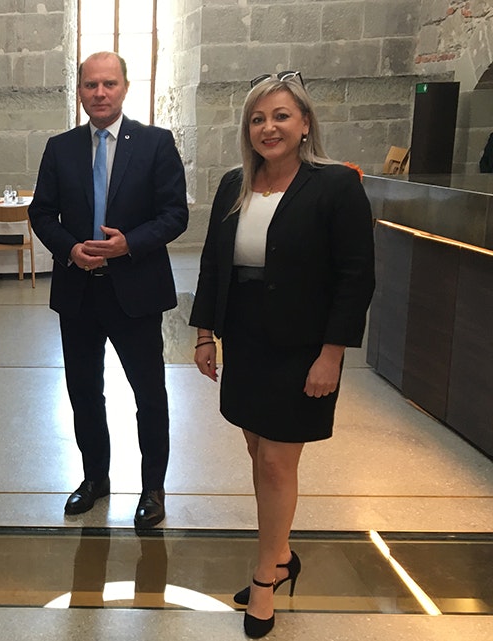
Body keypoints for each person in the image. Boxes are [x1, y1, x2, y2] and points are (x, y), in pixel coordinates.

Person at [189, 71, 374, 638]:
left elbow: (355, 276)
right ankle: (283, 551)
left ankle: (265, 578)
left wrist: (332, 355)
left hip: (302, 346)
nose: (268, 127)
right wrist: (203, 333)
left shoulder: (336, 185)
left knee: (276, 460)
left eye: (280, 116)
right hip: (246, 339)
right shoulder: (233, 184)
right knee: (254, 445)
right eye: (257, 118)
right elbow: (215, 264)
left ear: (305, 124)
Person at [28, 52, 188, 533]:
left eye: (109, 84)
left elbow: (174, 214)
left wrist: (127, 245)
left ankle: (152, 489)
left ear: (124, 87)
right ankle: (95, 477)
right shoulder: (61, 148)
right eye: (91, 85)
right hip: (78, 292)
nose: (100, 93)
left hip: (135, 292)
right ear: (80, 91)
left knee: (149, 392)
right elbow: (41, 213)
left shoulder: (157, 144)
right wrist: (71, 249)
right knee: (83, 392)